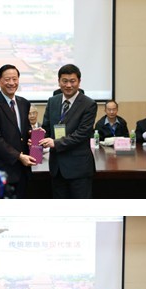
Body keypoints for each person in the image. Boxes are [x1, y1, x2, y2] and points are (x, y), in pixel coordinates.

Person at [40, 64, 98, 198]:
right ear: (59, 81)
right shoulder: (52, 101)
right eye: (64, 81)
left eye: (72, 81)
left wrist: (55, 143)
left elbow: (82, 134)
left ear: (79, 81)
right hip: (57, 168)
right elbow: (47, 128)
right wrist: (37, 137)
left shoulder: (89, 104)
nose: (68, 85)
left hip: (79, 169)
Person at [0, 65, 35, 199]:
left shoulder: (24, 103)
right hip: (0, 171)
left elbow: (25, 129)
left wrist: (34, 135)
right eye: (7, 79)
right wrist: (19, 156)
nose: (11, 83)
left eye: (15, 79)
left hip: (22, 171)